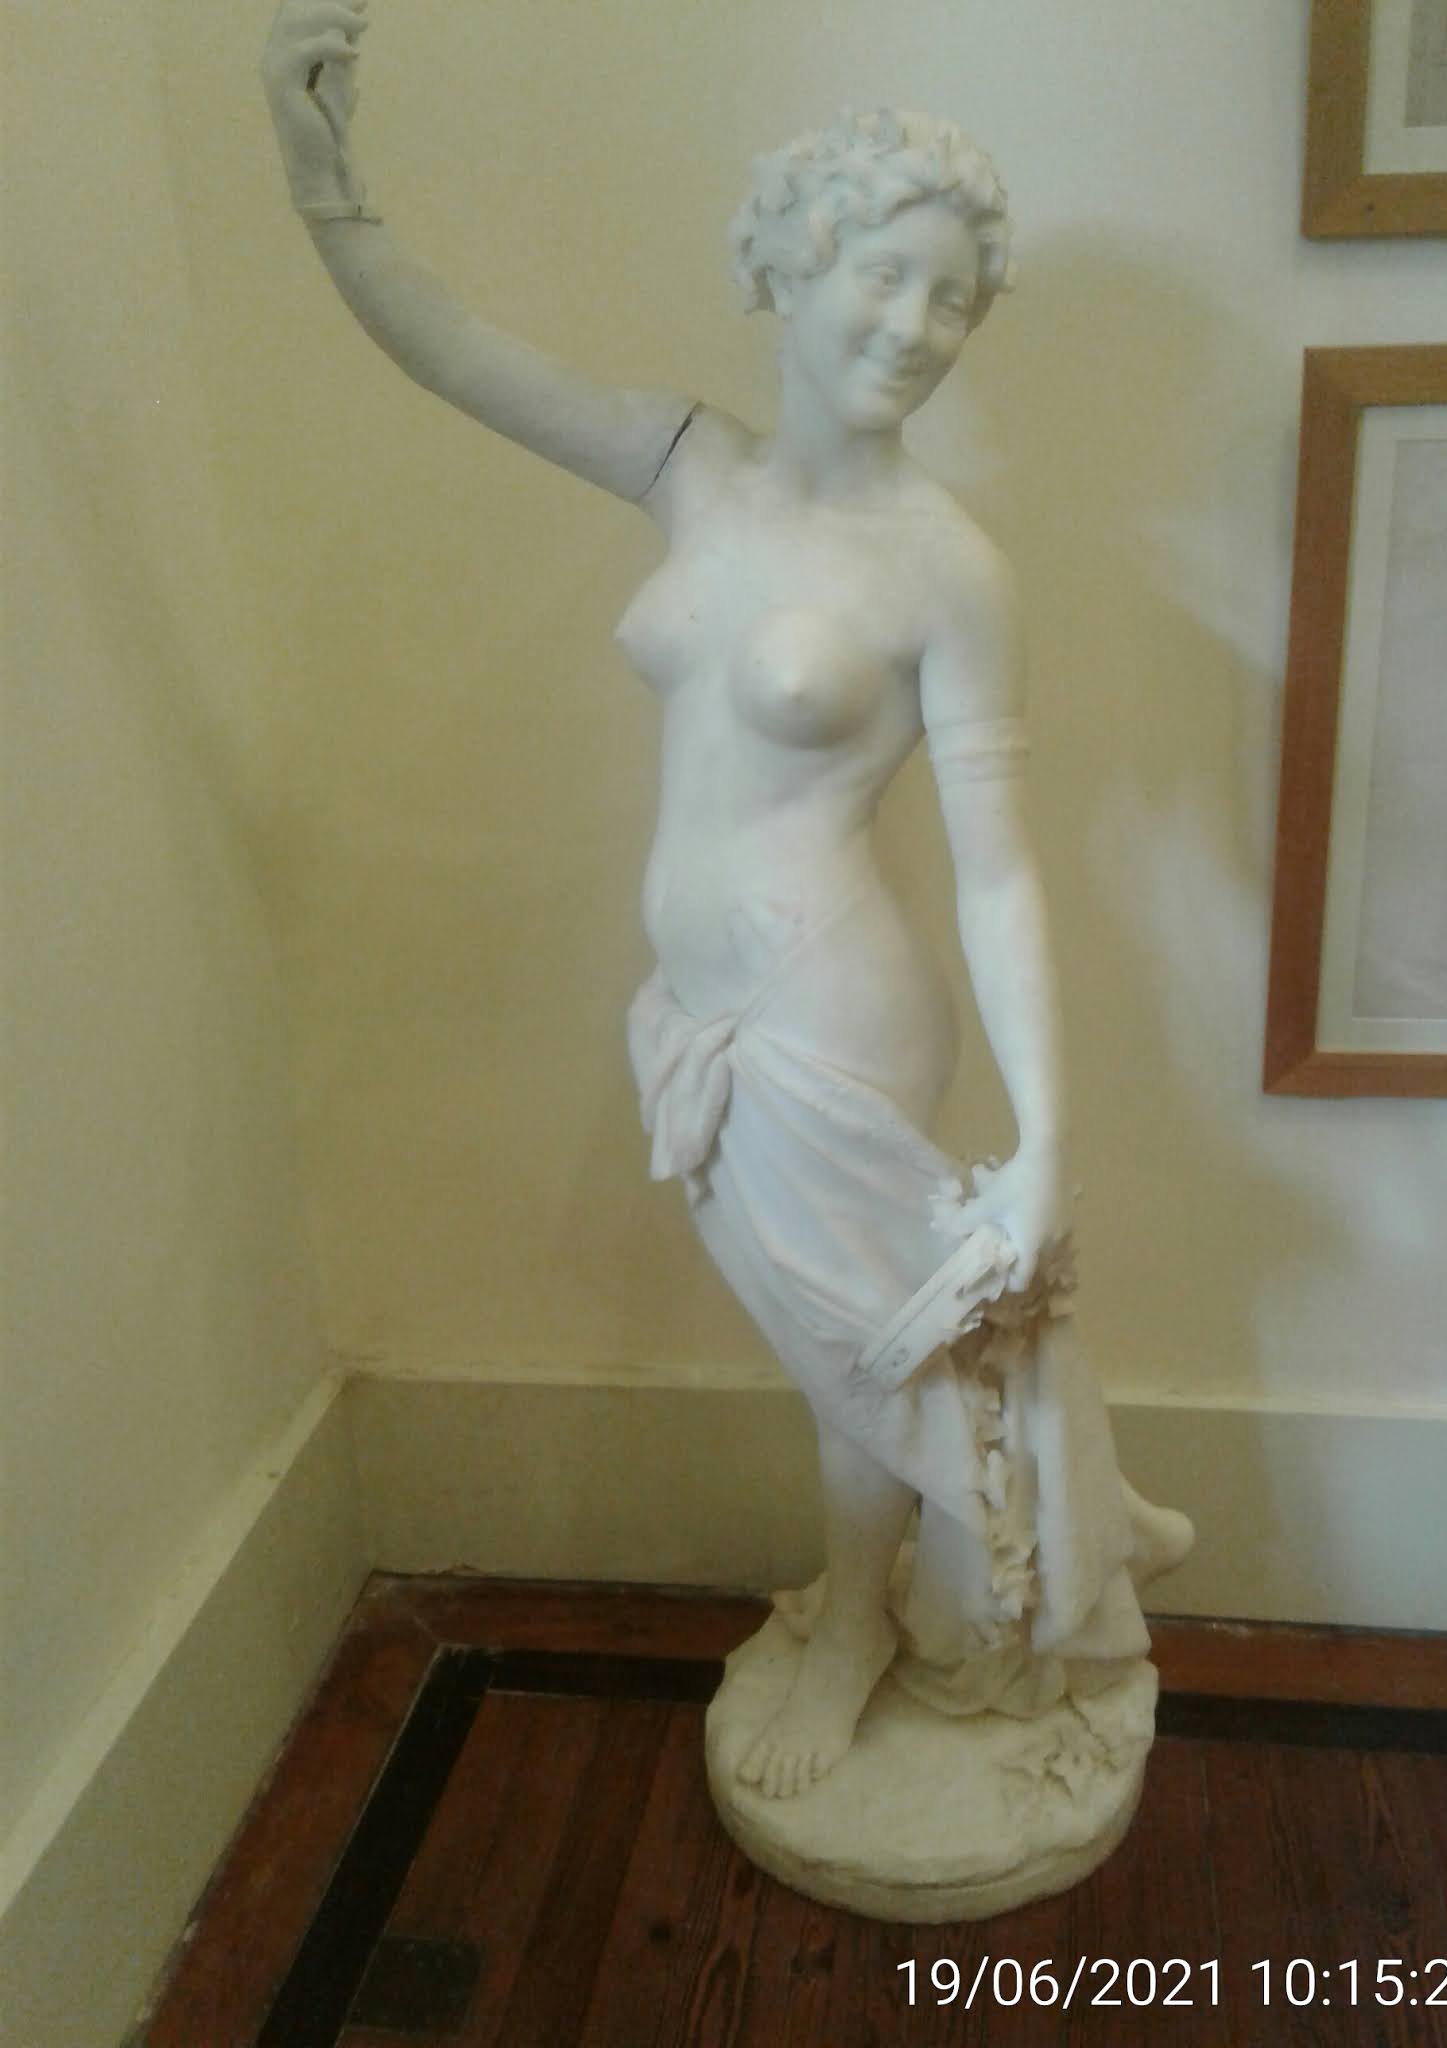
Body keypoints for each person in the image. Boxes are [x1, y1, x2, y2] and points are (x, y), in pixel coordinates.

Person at [263, 2, 1190, 1806]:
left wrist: (1047, 1144)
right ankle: (1076, 1513)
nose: (915, 329)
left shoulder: (952, 571)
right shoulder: (685, 461)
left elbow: (999, 865)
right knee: (851, 1354)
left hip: (832, 1015)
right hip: (699, 1007)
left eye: (953, 302)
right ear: (792, 262)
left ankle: (858, 1632)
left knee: (858, 1365)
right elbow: (454, 354)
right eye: (884, 278)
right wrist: (326, 188)